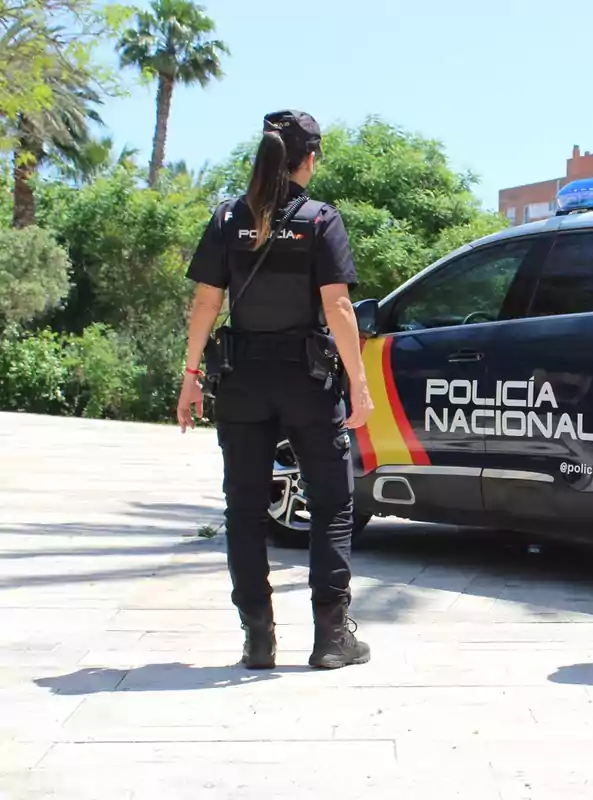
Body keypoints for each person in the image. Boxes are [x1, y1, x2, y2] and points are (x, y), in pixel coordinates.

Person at [176, 110, 375, 670]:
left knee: (242, 511)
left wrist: (191, 377)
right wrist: (359, 387)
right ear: (309, 159)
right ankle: (332, 639)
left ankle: (257, 638)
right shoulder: (319, 220)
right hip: (308, 382)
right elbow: (337, 307)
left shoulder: (227, 219)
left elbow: (206, 304)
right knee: (333, 507)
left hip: (241, 381)